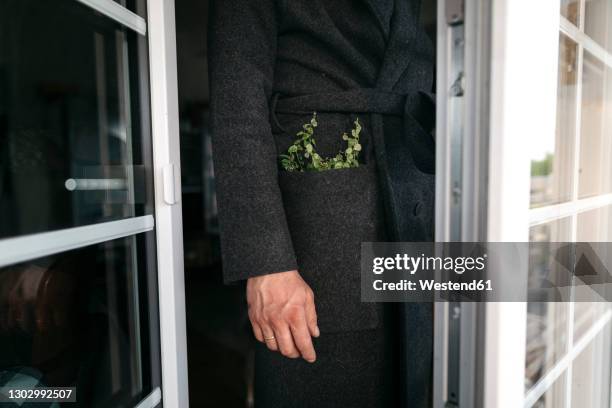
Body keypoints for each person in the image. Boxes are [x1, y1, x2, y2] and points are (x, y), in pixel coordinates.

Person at [208, 1, 436, 406]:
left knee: (410, 381)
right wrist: (266, 263)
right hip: (318, 230)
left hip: (410, 207)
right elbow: (238, 106)